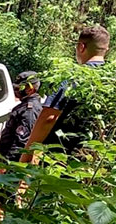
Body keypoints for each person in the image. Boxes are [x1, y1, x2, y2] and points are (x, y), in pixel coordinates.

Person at [20, 25, 109, 162]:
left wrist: (26, 155)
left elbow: (48, 118)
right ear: (106, 50)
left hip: (61, 158)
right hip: (98, 160)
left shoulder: (70, 76)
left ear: (81, 47)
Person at [0, 71, 43, 161]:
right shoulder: (24, 106)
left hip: (11, 162)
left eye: (19, 88)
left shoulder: (30, 110)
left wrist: (6, 163)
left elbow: (21, 142)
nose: (16, 91)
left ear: (30, 90)